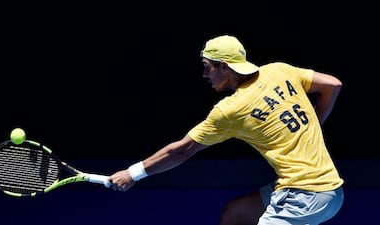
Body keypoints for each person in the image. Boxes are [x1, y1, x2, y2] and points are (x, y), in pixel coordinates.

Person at [107, 34, 344, 225]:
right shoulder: (280, 70)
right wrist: (315, 123)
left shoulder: (230, 110)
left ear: (224, 67)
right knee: (236, 214)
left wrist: (132, 173)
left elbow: (182, 150)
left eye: (207, 67)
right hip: (332, 192)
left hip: (303, 196)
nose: (204, 74)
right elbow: (333, 85)